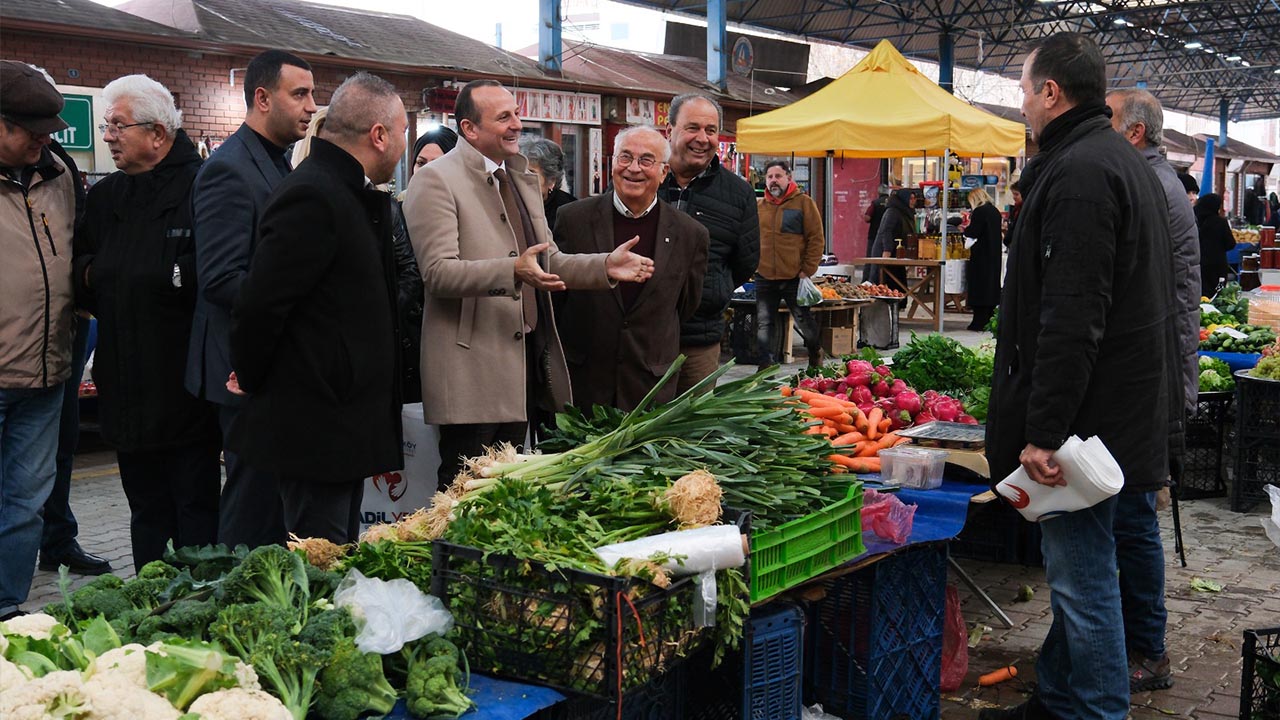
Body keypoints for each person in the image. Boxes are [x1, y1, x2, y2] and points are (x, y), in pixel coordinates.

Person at [982, 32, 1176, 720]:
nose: (1022, 105)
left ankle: (1096, 709)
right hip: (1118, 413)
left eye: (1025, 90)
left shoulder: (1083, 172)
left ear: (1051, 93)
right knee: (1079, 572)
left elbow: (1072, 316)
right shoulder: (1111, 159)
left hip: (1085, 426)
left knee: (1083, 580)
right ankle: (1060, 697)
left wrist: (1043, 431)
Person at [404, 79, 654, 492]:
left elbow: (546, 260)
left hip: (522, 368)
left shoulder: (518, 177)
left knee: (505, 491)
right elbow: (438, 273)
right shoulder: (435, 181)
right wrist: (511, 272)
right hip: (471, 372)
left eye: (517, 114)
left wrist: (606, 265)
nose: (518, 125)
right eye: (504, 117)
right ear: (469, 129)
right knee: (462, 491)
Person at [226, 72, 406, 545]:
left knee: (336, 555)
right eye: (404, 131)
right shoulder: (314, 194)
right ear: (379, 135)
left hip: (340, 423)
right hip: (315, 425)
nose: (405, 145)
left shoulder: (347, 192)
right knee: (318, 561)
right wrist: (252, 374)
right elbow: (261, 303)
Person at [74, 75, 221, 570]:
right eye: (105, 125)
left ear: (158, 134)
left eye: (118, 125)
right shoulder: (105, 196)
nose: (108, 136)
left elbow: (210, 274)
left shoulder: (204, 186)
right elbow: (82, 268)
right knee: (146, 511)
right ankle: (149, 604)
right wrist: (101, 274)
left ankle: (203, 611)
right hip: (125, 386)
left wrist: (154, 275)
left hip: (186, 389)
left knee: (196, 509)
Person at [186, 49, 316, 548]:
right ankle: (238, 602)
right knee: (253, 507)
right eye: (299, 94)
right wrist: (299, 300)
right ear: (262, 98)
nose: (311, 106)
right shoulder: (229, 169)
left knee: (271, 505)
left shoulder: (276, 164)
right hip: (241, 368)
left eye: (312, 94)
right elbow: (220, 278)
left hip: (268, 366)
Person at [1106, 87, 1201, 692]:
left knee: (1136, 516)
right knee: (1131, 515)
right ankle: (1135, 640)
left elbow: (1156, 304)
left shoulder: (1152, 189)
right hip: (1155, 372)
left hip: (1155, 374)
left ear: (1135, 133)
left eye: (1109, 119)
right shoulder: (1154, 181)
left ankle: (1149, 650)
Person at [553, 126, 709, 410]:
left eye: (646, 160)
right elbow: (557, 294)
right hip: (583, 379)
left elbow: (685, 304)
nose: (633, 168)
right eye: (625, 157)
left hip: (649, 384)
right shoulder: (573, 219)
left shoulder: (690, 234)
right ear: (612, 164)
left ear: (663, 173)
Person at [0, 60, 78, 620]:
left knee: (27, 504)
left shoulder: (59, 173)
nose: (44, 138)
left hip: (47, 372)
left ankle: (6, 607)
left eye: (50, 127)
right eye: (30, 128)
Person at [296, 108, 424, 405]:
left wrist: (381, 314)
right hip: (323, 357)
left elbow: (408, 271)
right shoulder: (303, 197)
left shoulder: (381, 205)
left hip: (376, 350)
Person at [660, 93, 759, 393]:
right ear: (670, 130)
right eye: (692, 128)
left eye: (711, 130)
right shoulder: (643, 179)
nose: (702, 138)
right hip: (639, 335)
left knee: (693, 429)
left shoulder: (739, 194)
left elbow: (746, 261)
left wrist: (713, 289)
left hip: (700, 340)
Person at [755, 160, 825, 368]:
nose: (773, 181)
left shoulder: (804, 203)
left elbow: (816, 238)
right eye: (770, 177)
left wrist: (808, 269)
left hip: (795, 275)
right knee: (764, 324)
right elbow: (749, 238)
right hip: (764, 275)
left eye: (778, 176)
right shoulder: (759, 207)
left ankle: (815, 352)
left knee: (804, 322)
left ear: (789, 178)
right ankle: (765, 368)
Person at [961, 187, 1002, 331]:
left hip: (981, 255)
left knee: (979, 287)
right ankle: (990, 320)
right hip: (994, 255)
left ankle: (979, 321)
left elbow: (974, 232)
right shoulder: (994, 211)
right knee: (991, 287)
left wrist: (964, 230)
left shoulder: (979, 212)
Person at [520, 136, 577, 229]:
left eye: (531, 172)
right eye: (520, 171)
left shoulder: (569, 211)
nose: (523, 178)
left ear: (551, 180)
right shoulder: (509, 200)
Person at [869, 188, 915, 289]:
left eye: (913, 198)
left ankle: (897, 304)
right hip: (886, 252)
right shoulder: (893, 212)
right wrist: (887, 250)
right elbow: (887, 230)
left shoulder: (906, 213)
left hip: (897, 253)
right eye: (910, 198)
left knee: (898, 285)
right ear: (904, 199)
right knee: (882, 282)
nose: (913, 201)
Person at [1195, 193, 1236, 296]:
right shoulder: (1220, 222)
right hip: (1217, 267)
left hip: (1198, 264)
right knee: (1217, 294)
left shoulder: (1194, 220)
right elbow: (1230, 244)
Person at [861, 190, 889, 282]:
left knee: (870, 258)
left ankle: (867, 280)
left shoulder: (875, 203)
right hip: (887, 236)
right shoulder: (890, 204)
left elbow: (867, 217)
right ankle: (881, 280)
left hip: (873, 234)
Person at [1004, 180, 1023, 246]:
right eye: (1013, 194)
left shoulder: (1023, 210)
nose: (1014, 197)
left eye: (1016, 194)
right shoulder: (1015, 209)